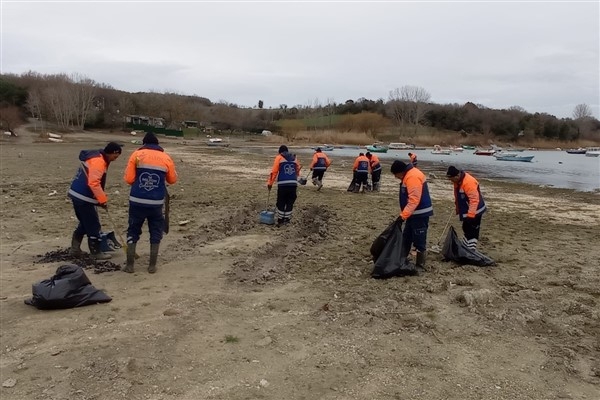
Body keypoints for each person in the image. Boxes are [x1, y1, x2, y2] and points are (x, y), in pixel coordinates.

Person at [123, 132, 178, 273]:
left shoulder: (136, 155)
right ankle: (152, 265)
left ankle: (130, 265)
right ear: (157, 144)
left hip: (136, 200)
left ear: (144, 143)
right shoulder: (166, 157)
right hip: (156, 202)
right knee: (155, 230)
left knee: (133, 229)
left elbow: (129, 179)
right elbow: (172, 180)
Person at [68, 141, 123, 260]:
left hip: (77, 194)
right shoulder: (99, 162)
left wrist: (99, 199)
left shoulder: (96, 157)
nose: (116, 159)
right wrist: (102, 200)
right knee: (93, 225)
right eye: (116, 156)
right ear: (112, 153)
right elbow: (93, 183)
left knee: (84, 223)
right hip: (83, 197)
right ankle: (95, 252)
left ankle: (75, 249)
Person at [390, 160, 434, 270]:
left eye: (396, 175)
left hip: (419, 213)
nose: (396, 177)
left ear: (400, 172)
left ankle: (420, 264)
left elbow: (414, 200)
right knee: (407, 236)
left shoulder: (412, 177)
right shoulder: (409, 174)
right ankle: (402, 258)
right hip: (412, 213)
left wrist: (403, 216)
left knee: (419, 237)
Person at [446, 166, 486, 250]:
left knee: (473, 230)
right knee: (465, 227)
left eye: (451, 179)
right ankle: (465, 246)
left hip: (475, 210)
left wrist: (471, 215)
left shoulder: (468, 182)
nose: (451, 181)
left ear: (456, 176)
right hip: (467, 209)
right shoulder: (458, 181)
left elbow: (474, 200)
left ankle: (471, 249)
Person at [267, 145, 301, 226]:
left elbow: (274, 172)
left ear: (280, 152)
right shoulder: (294, 158)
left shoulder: (279, 157)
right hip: (293, 184)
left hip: (282, 184)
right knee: (290, 201)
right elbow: (297, 170)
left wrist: (270, 183)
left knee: (281, 201)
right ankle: (287, 219)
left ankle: (280, 220)